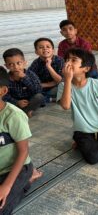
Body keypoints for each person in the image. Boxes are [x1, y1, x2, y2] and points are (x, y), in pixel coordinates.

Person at [57, 48, 98, 164]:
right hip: (83, 130)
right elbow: (66, 106)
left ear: (86, 68)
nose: (68, 63)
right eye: (66, 60)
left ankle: (91, 143)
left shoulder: (96, 84)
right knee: (93, 158)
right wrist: (67, 80)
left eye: (73, 60)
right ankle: (82, 140)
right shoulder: (64, 85)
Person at [0, 66, 42, 214]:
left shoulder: (13, 116)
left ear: (3, 91)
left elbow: (23, 152)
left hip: (16, 168)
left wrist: (6, 186)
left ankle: (28, 178)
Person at [3, 48, 44, 117]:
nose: (16, 67)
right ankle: (23, 112)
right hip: (14, 103)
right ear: (6, 66)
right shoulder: (6, 78)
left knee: (39, 97)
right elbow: (4, 95)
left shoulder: (31, 74)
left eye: (19, 63)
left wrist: (25, 78)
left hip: (30, 101)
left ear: (24, 63)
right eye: (11, 64)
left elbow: (37, 90)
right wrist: (16, 102)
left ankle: (27, 111)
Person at [28, 38, 64, 104]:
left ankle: (47, 99)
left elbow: (60, 81)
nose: (45, 48)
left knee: (65, 87)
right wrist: (43, 85)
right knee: (28, 91)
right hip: (43, 89)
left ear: (53, 50)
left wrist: (49, 66)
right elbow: (29, 78)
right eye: (41, 47)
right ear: (36, 52)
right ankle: (51, 99)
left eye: (48, 46)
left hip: (58, 88)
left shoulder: (60, 60)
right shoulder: (36, 63)